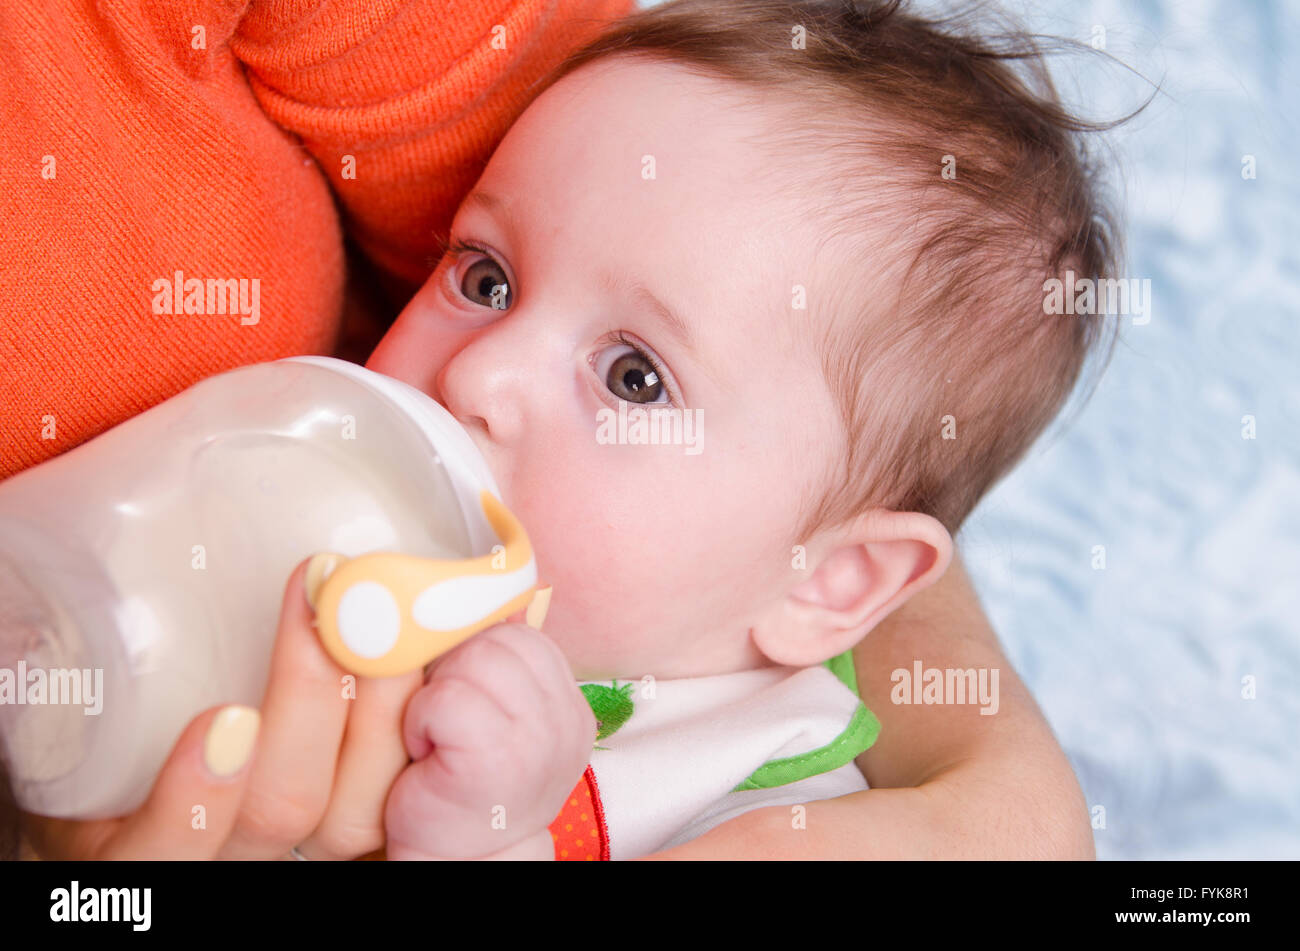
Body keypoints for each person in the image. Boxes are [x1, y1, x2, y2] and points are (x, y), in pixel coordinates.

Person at [3, 0, 1096, 860]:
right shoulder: (311, 535)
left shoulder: (769, 786)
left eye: (632, 375)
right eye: (484, 276)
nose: (481, 371)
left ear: (830, 585)